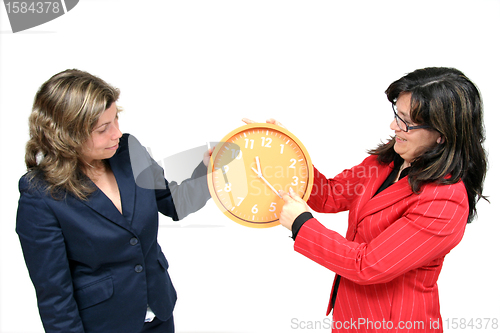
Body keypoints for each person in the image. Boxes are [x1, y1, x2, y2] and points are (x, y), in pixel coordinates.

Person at [248, 67, 488, 332]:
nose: (394, 126)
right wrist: (288, 157)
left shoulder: (445, 201)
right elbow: (330, 194)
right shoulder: (386, 162)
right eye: (397, 114)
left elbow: (368, 265)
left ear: (442, 134)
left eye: (406, 121)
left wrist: (302, 224)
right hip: (350, 318)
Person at [16, 69, 212, 333]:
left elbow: (173, 202)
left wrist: (211, 172)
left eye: (116, 119)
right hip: (104, 325)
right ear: (67, 136)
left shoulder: (129, 151)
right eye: (103, 129)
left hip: (159, 314)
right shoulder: (39, 194)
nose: (117, 133)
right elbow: (54, 297)